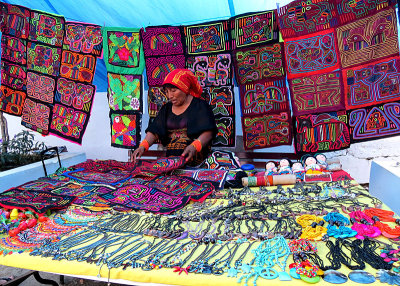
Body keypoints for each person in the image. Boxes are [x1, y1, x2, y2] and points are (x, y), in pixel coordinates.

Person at [131, 69, 217, 166]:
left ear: (184, 88)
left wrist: (194, 146)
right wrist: (143, 146)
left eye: (173, 90)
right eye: (167, 91)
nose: (170, 96)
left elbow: (209, 132)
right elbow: (155, 131)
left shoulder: (200, 106)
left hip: (197, 163)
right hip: (172, 163)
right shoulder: (166, 109)